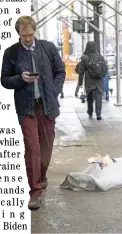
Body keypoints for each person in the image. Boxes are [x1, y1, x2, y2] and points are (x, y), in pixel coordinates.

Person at [1, 16, 66, 210]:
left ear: (34, 31)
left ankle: (42, 175)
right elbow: (4, 80)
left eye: (30, 35)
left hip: (47, 106)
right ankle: (35, 191)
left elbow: (60, 71)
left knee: (46, 147)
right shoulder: (11, 53)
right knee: (33, 148)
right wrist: (21, 79)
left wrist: (53, 90)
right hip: (26, 108)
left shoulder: (48, 48)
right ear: (18, 34)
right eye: (24, 36)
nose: (28, 39)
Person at [78, 41, 107, 120]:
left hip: (89, 79)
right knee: (99, 96)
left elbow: (81, 71)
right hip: (99, 80)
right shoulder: (100, 57)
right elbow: (105, 68)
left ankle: (90, 111)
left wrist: (80, 82)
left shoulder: (84, 57)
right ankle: (98, 114)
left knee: (89, 96)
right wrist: (102, 76)